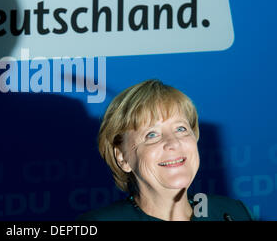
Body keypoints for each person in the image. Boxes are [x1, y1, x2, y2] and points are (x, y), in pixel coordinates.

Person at [78, 79, 253, 221]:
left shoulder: (233, 212)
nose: (173, 143)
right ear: (123, 158)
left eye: (181, 129)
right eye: (152, 134)